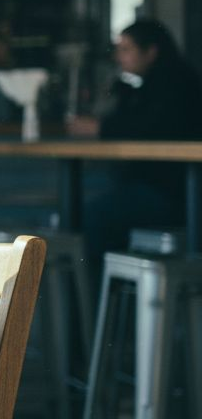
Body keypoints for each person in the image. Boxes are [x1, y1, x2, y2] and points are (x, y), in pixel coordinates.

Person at [67, 19, 202, 277]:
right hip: (164, 190)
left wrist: (99, 128)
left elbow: (146, 129)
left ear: (150, 51)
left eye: (126, 49)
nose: (119, 56)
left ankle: (91, 312)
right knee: (92, 214)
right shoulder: (157, 82)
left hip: (175, 196)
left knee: (91, 217)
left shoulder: (174, 83)